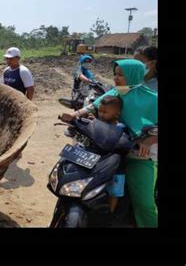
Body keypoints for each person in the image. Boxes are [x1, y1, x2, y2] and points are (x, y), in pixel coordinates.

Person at [64, 59, 158, 227]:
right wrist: (74, 115)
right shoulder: (114, 93)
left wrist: (148, 140)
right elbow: (92, 107)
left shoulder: (153, 99)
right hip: (106, 149)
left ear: (133, 75)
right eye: (115, 74)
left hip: (136, 155)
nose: (116, 78)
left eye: (121, 75)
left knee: (144, 205)